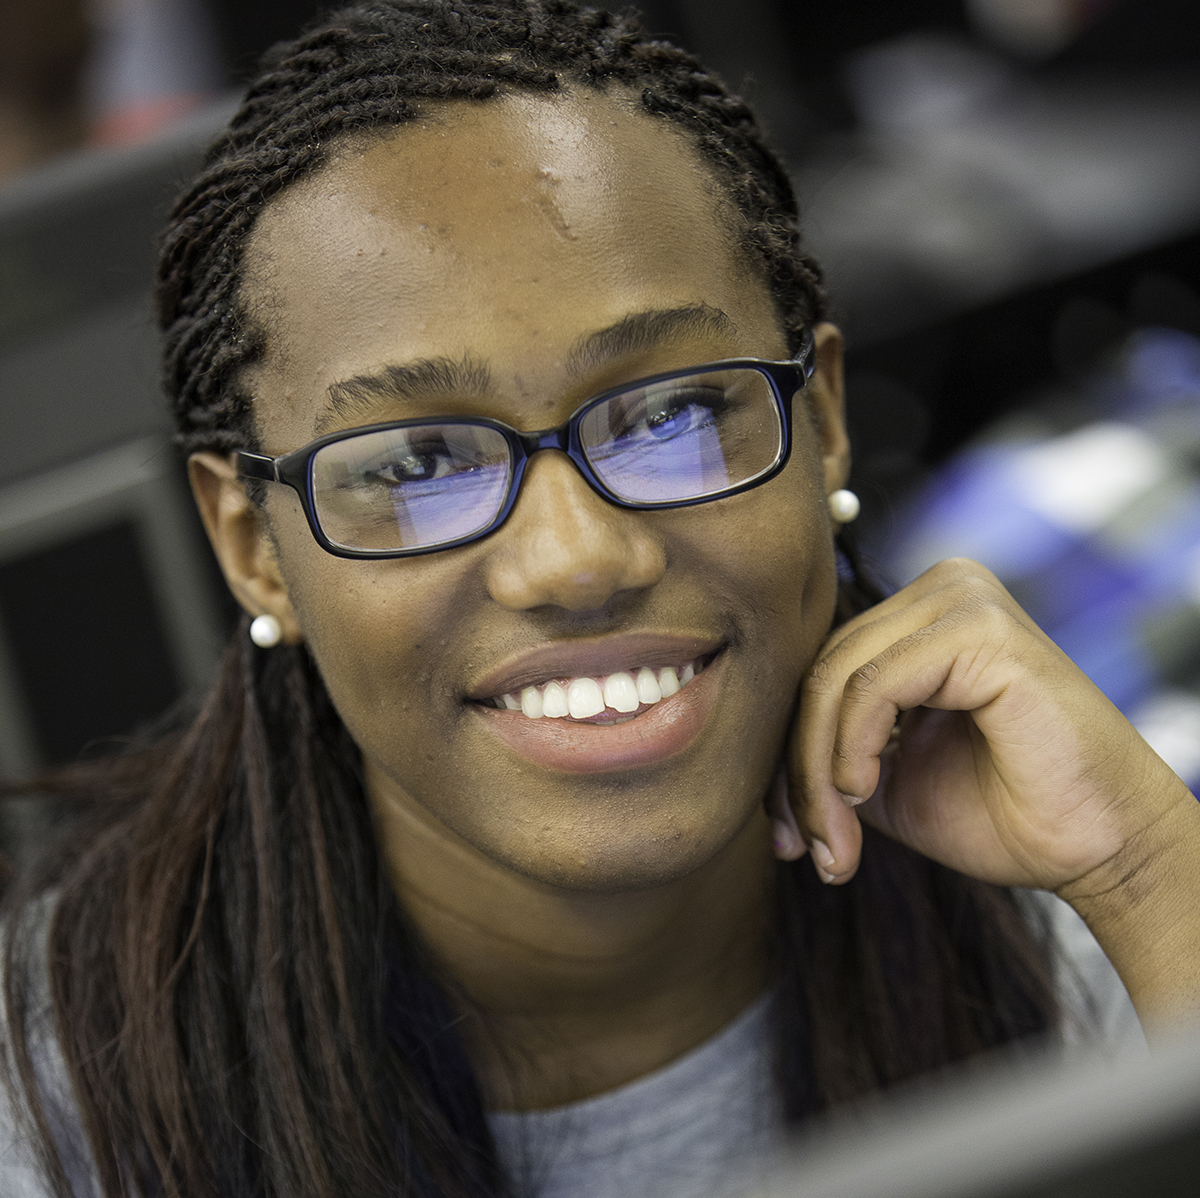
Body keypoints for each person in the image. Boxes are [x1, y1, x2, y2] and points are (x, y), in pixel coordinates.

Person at [3, 2, 1200, 1196]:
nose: (577, 559)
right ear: (252, 548)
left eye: (672, 415)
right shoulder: (58, 1115)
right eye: (417, 467)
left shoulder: (1066, 898)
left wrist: (1148, 876)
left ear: (822, 421)